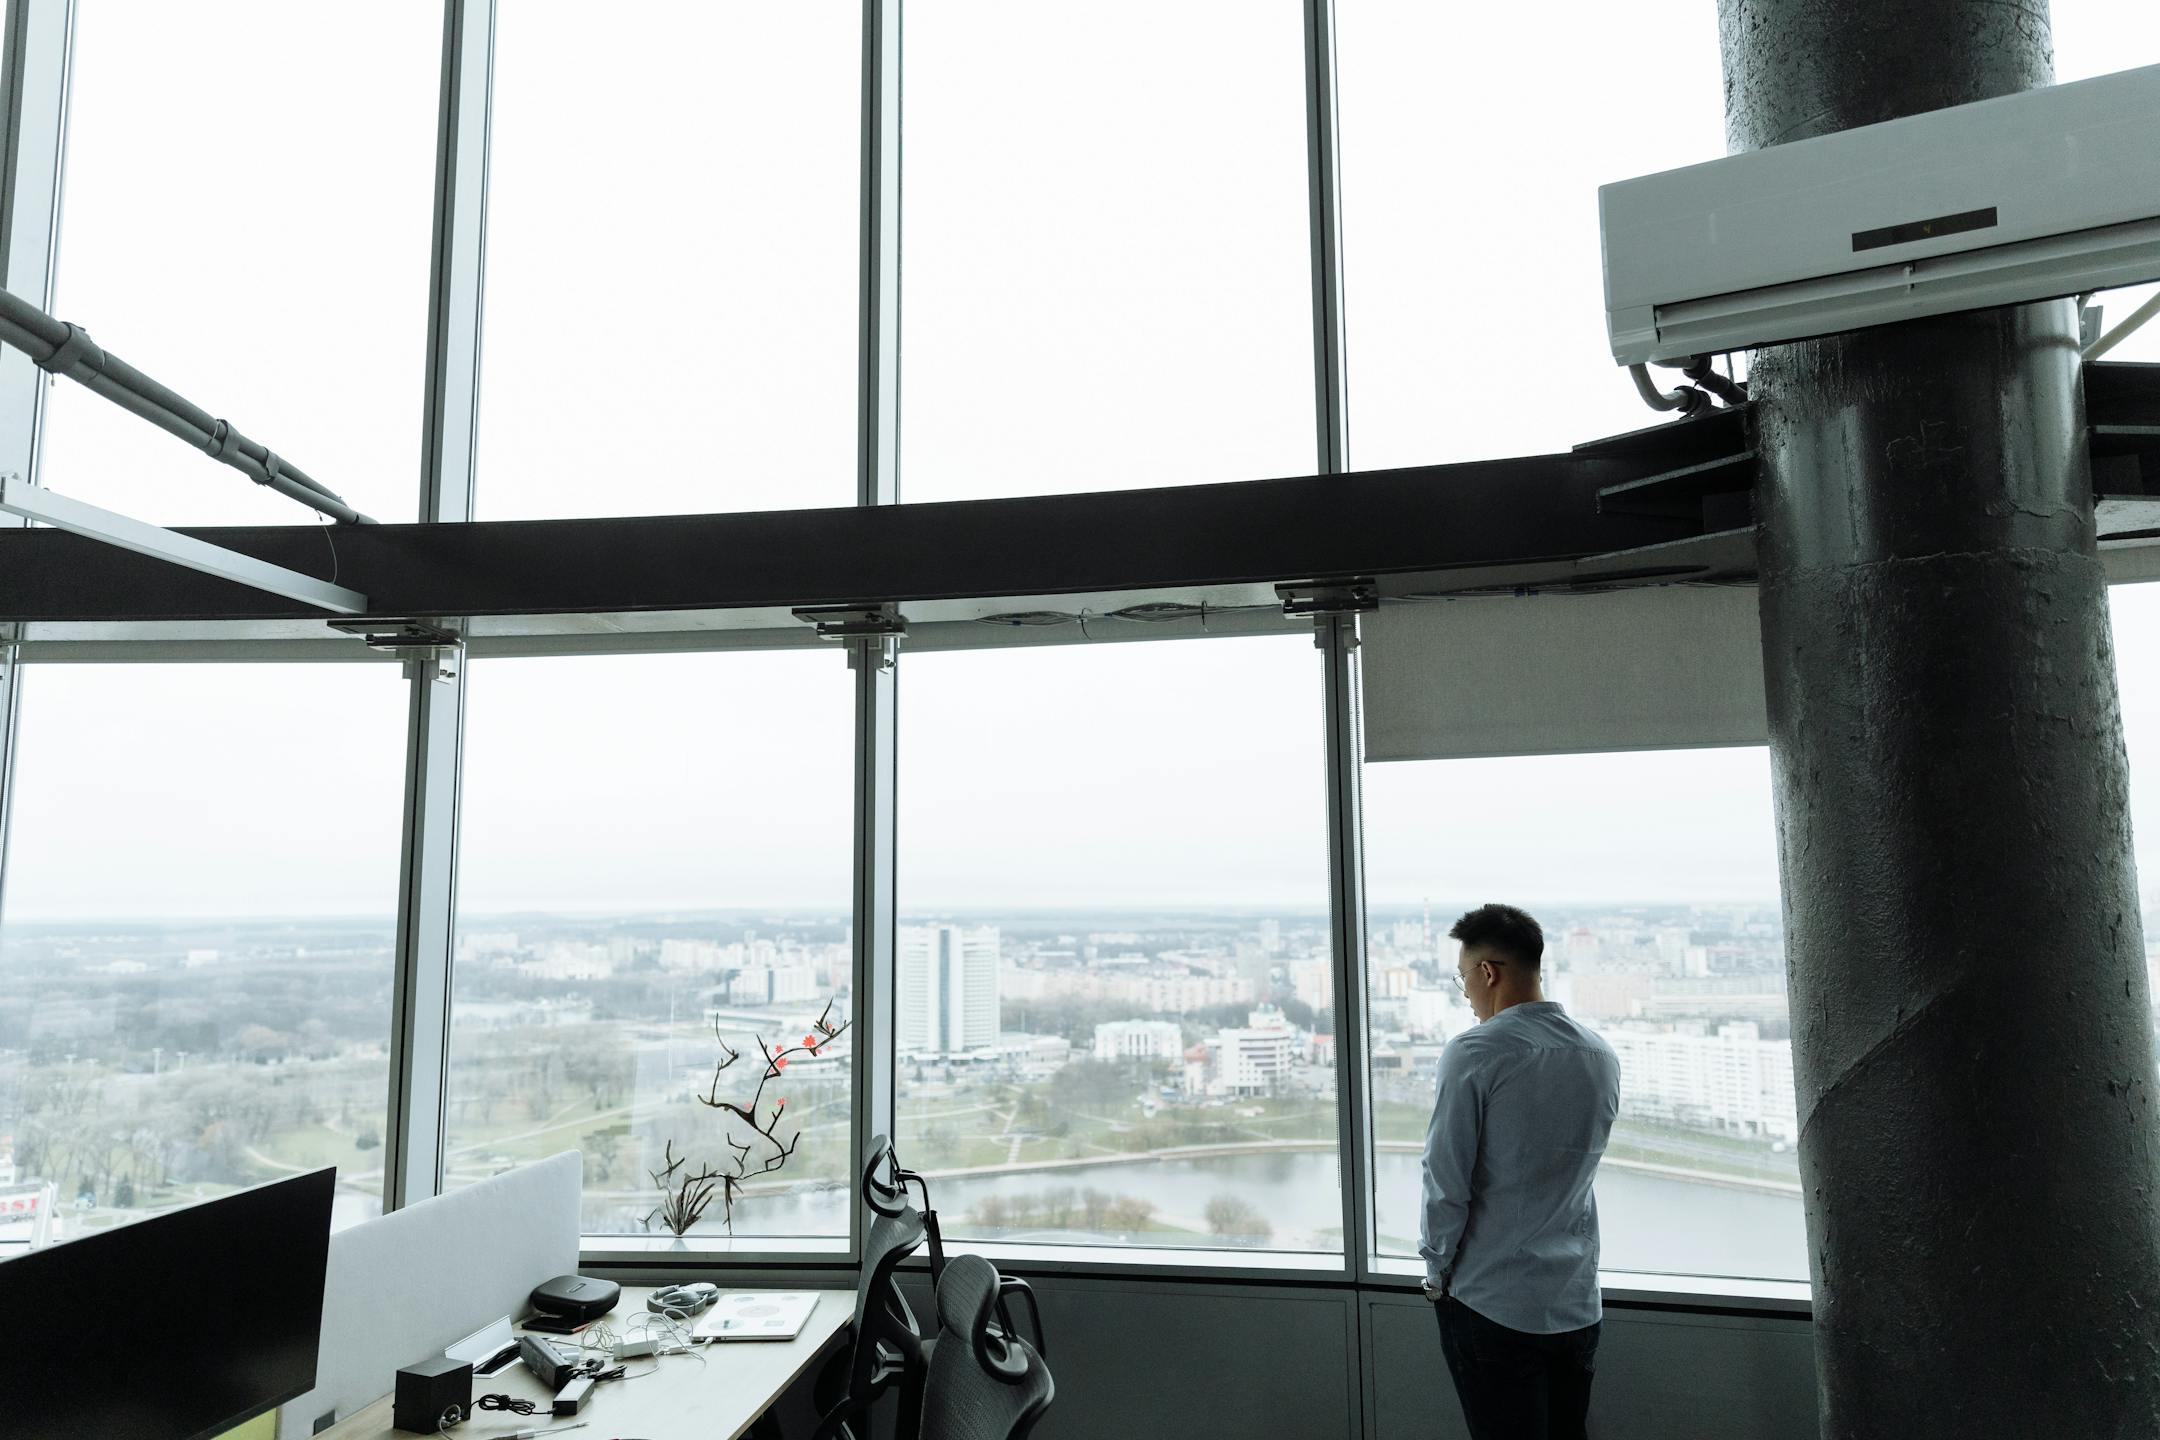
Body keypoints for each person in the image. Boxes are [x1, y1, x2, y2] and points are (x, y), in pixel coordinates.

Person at [1421, 903, 1620, 1440]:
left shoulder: (1475, 1053)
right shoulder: (1599, 1054)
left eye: (1464, 978)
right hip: (1576, 1300)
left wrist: (1436, 1275)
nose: (1465, 993)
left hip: (1492, 1302)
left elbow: (1447, 1182)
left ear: (1488, 972)